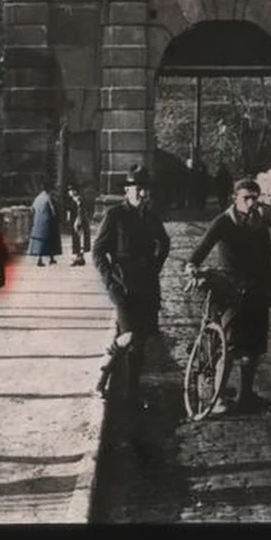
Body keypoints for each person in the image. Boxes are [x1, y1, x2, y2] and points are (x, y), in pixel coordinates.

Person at [185, 178, 271, 413]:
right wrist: (191, 265)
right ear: (235, 198)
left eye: (254, 199)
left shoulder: (258, 223)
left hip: (257, 291)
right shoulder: (224, 222)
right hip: (230, 291)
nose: (251, 203)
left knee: (254, 348)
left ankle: (246, 396)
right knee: (229, 345)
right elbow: (203, 246)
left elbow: (268, 258)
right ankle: (217, 398)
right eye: (246, 198)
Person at [92, 164, 171, 409]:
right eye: (137, 189)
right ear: (127, 190)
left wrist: (155, 266)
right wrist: (109, 281)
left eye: (145, 189)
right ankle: (104, 378)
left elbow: (164, 242)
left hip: (147, 286)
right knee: (129, 337)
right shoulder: (115, 215)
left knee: (140, 342)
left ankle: (131, 394)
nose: (142, 194)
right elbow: (98, 251)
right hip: (123, 286)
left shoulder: (151, 217)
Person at [28, 182, 61, 266]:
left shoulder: (37, 198)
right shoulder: (48, 198)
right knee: (51, 240)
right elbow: (53, 211)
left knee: (40, 242)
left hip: (38, 223)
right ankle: (51, 258)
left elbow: (32, 209)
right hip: (47, 223)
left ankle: (40, 259)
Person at [64, 183, 91, 267]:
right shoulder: (73, 199)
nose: (70, 192)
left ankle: (79, 258)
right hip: (76, 221)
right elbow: (69, 211)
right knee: (77, 239)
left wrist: (77, 221)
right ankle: (79, 257)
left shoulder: (78, 199)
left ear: (75, 191)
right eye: (69, 191)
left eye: (71, 190)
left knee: (80, 238)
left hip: (80, 221)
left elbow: (80, 212)